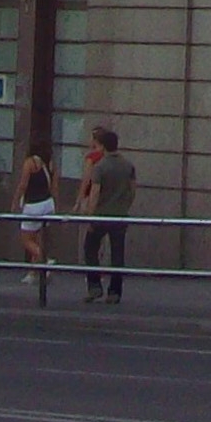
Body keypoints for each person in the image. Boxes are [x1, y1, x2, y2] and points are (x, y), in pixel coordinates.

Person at [78, 124, 138, 305]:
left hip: (102, 215)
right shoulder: (128, 166)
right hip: (120, 215)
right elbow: (133, 190)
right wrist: (125, 205)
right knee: (117, 254)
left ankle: (94, 286)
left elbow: (95, 193)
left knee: (90, 249)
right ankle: (115, 291)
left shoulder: (100, 167)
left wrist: (90, 215)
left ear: (102, 146)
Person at [14, 144, 58, 292]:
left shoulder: (30, 163)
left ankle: (45, 260)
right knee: (39, 238)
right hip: (48, 203)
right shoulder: (50, 163)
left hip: (33, 205)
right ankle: (33, 273)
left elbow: (23, 184)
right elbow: (54, 184)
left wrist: (15, 202)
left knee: (27, 239)